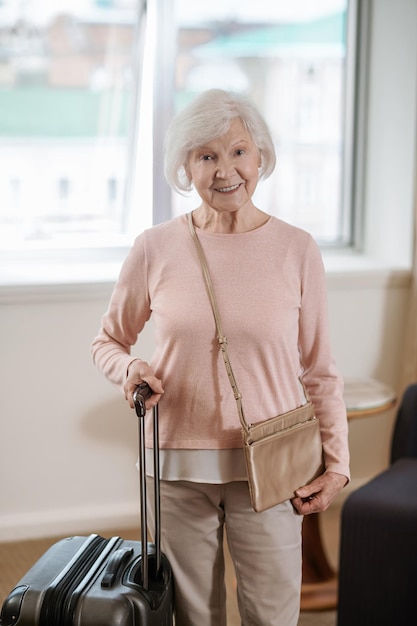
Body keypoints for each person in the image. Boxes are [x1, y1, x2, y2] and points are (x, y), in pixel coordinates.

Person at [91, 88, 350, 626]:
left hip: (273, 463)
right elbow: (108, 342)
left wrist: (338, 465)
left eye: (238, 152)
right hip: (176, 466)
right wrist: (131, 369)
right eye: (206, 156)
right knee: (192, 617)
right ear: (186, 166)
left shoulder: (297, 248)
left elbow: (320, 371)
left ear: (261, 158)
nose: (225, 169)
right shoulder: (154, 247)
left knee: (272, 614)